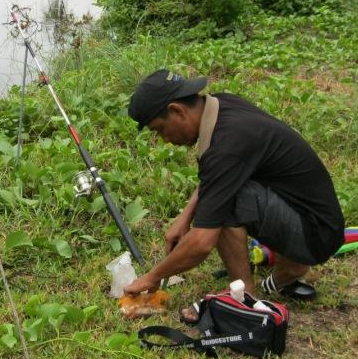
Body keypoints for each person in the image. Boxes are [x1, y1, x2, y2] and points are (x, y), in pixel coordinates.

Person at [122, 69, 344, 306]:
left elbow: (201, 242)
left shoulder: (226, 145)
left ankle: (244, 295)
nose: (164, 140)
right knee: (221, 195)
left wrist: (153, 277)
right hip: (314, 218)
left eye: (159, 130)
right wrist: (184, 217)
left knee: (226, 203)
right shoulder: (221, 106)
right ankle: (288, 268)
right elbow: (217, 177)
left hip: (315, 235)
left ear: (177, 110)